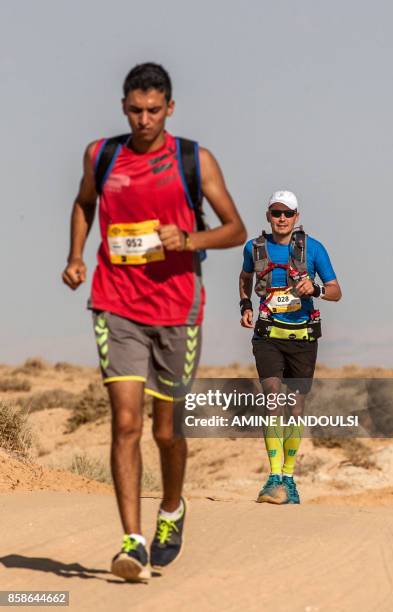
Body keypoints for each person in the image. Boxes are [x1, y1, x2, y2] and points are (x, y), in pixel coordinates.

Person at [62, 62, 246, 581]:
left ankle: (171, 509)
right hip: (115, 302)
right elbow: (83, 204)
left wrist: (188, 240)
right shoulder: (102, 155)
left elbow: (235, 229)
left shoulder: (194, 159)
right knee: (125, 422)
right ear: (124, 107)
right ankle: (133, 542)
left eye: (154, 111)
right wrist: (76, 256)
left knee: (166, 431)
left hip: (176, 308)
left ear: (169, 108)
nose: (144, 120)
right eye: (136, 110)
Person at [239, 190, 341, 504]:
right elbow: (244, 277)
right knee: (272, 399)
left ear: (296, 217)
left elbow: (337, 291)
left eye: (287, 213)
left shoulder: (314, 249)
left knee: (295, 407)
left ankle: (289, 477)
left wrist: (317, 288)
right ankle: (273, 479)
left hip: (303, 338)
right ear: (268, 216)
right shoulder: (254, 248)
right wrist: (245, 304)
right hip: (268, 335)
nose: (281, 219)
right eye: (276, 213)